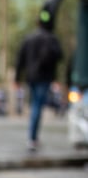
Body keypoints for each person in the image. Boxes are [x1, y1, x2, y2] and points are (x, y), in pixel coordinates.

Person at [15, 14, 63, 151]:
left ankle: (33, 137)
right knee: (37, 106)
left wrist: (17, 78)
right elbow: (60, 55)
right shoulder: (51, 38)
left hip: (31, 77)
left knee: (35, 104)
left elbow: (20, 58)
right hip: (44, 77)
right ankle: (32, 138)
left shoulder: (29, 38)